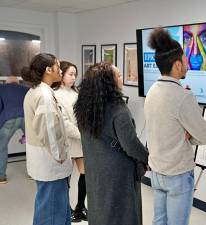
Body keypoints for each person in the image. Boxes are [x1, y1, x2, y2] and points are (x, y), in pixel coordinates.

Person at [144, 27, 206, 225]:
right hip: (178, 174)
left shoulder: (152, 91)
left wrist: (187, 132)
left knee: (159, 222)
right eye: (184, 59)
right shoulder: (183, 96)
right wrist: (189, 134)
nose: (188, 63)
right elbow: (204, 135)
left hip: (157, 171)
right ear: (176, 65)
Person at [74, 62, 149, 225]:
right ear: (109, 82)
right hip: (118, 175)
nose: (122, 79)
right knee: (123, 214)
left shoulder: (84, 106)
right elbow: (130, 144)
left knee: (100, 211)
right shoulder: (118, 109)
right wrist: (147, 158)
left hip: (95, 170)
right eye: (119, 75)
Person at [22, 53, 73, 225]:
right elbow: (49, 131)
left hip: (45, 161)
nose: (61, 71)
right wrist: (59, 155)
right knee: (52, 213)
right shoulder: (44, 95)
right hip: (51, 163)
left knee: (52, 207)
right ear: (48, 69)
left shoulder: (36, 90)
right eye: (58, 67)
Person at [53, 61, 87, 222]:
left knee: (85, 173)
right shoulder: (55, 94)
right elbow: (64, 123)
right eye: (70, 74)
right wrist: (82, 134)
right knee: (65, 178)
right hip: (67, 142)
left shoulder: (77, 93)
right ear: (62, 74)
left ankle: (80, 207)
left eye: (75, 74)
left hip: (81, 141)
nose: (73, 77)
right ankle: (66, 209)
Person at [0, 76, 29, 184]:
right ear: (17, 82)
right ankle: (33, 174)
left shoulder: (2, 88)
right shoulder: (25, 89)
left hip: (9, 117)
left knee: (1, 146)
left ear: (6, 82)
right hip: (26, 117)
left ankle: (1, 177)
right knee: (32, 146)